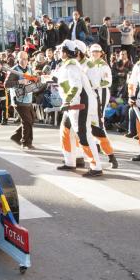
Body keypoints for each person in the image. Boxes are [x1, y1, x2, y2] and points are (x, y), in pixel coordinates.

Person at [53, 40, 103, 177]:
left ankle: (96, 166)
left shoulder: (72, 66)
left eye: (60, 50)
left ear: (65, 52)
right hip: (71, 105)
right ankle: (70, 162)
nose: (57, 52)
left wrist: (67, 101)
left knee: (84, 135)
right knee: (65, 131)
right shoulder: (66, 65)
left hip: (79, 104)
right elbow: (59, 80)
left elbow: (76, 86)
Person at [84, 43, 118, 168]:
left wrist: (94, 84)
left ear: (101, 53)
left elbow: (107, 82)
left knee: (99, 122)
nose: (95, 54)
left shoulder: (103, 65)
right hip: (89, 95)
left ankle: (110, 155)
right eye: (93, 51)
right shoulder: (87, 63)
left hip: (100, 94)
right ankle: (96, 147)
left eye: (97, 52)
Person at [7, 51, 36, 149]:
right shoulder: (14, 70)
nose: (24, 61)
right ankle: (26, 142)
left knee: (31, 119)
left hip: (28, 98)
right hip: (18, 99)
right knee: (27, 121)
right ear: (18, 59)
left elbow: (33, 81)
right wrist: (20, 81)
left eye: (25, 59)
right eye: (21, 59)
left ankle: (16, 136)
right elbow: (7, 84)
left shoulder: (29, 69)